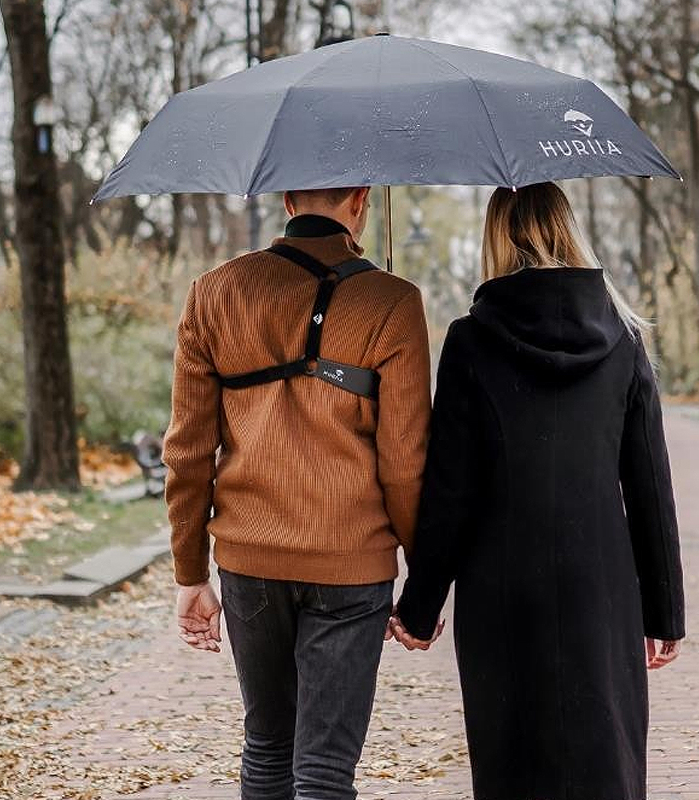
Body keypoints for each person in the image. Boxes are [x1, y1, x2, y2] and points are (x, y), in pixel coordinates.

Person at [390, 181, 686, 800]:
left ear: (495, 237)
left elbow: (451, 489)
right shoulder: (623, 340)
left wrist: (419, 606)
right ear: (569, 229)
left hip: (502, 586)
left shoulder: (470, 341)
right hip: (600, 583)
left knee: (512, 763)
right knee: (606, 759)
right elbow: (650, 486)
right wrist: (664, 611)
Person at [163, 186, 431, 800]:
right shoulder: (393, 300)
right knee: (326, 771)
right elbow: (405, 464)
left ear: (286, 199)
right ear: (362, 200)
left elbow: (187, 450)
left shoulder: (215, 292)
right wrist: (423, 577)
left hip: (249, 558)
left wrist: (189, 573)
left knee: (267, 747)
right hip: (352, 563)